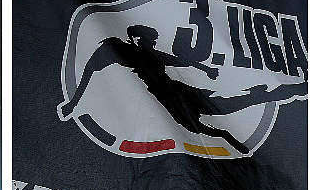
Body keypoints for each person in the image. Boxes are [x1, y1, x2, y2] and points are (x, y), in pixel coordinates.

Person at [59, 24, 306, 155]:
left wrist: (204, 69)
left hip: (180, 94)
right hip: (169, 102)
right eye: (149, 40)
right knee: (198, 128)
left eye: (153, 42)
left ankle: (283, 91)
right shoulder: (116, 49)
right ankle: (231, 136)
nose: (152, 44)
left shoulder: (150, 54)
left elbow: (175, 60)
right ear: (136, 39)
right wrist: (74, 102)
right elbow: (89, 70)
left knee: (233, 104)